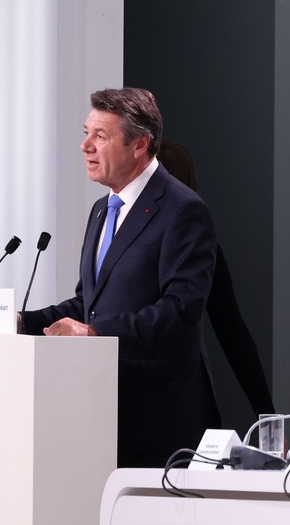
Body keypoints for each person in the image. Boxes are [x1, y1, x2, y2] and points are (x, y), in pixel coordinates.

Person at [21, 88, 218, 468]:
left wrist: (94, 332)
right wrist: (22, 323)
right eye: (86, 133)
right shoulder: (102, 210)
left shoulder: (183, 210)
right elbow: (90, 304)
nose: (85, 146)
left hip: (162, 422)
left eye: (101, 136)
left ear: (139, 144)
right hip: (102, 412)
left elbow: (180, 310)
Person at [155, 139, 277, 420]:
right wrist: (267, 414)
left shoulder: (195, 244)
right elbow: (233, 332)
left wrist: (267, 415)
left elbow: (231, 331)